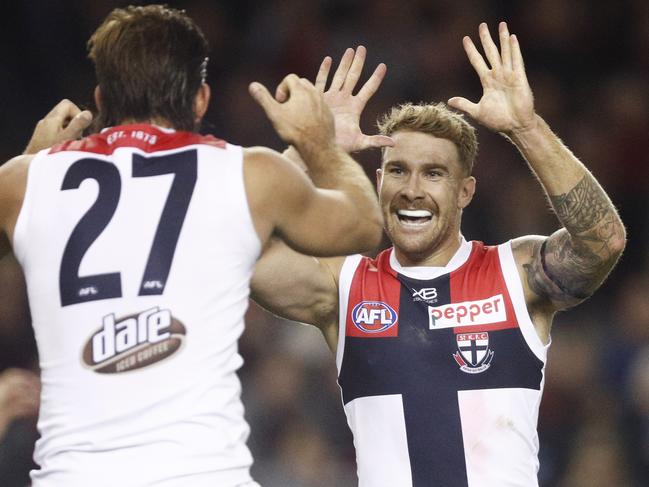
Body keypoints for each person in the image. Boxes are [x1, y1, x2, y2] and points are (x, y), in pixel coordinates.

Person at [0, 5, 383, 486]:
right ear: (201, 99)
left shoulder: (22, 183)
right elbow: (364, 224)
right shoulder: (250, 173)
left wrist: (31, 159)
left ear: (100, 98)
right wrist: (319, 145)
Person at [251, 22, 626, 486]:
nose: (412, 191)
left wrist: (527, 129)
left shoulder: (515, 274)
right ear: (377, 182)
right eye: (398, 171)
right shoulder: (343, 286)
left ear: (465, 191)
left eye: (433, 174)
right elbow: (239, 252)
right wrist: (310, 149)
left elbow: (602, 241)